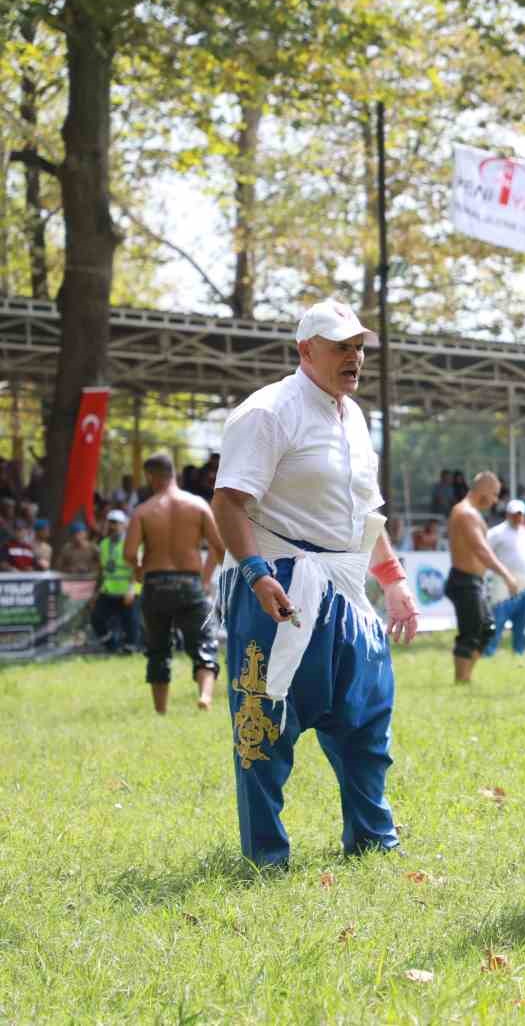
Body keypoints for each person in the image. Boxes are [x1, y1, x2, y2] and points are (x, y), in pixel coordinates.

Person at [211, 298, 421, 868]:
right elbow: (228, 501)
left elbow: (365, 515)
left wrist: (394, 579)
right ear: (307, 350)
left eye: (359, 347)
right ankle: (266, 856)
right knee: (266, 722)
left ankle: (373, 840)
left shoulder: (352, 415)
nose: (354, 358)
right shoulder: (269, 411)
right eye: (341, 347)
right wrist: (254, 575)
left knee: (366, 714)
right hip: (278, 579)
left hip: (345, 586)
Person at [125, 453, 223, 713]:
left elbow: (129, 552)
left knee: (158, 648)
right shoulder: (198, 506)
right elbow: (218, 546)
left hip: (156, 583)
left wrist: (137, 569)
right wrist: (204, 576)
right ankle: (204, 696)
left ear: (150, 476)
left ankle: (161, 710)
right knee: (204, 642)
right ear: (175, 475)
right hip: (189, 581)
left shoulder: (143, 511)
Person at [445, 472, 524, 684]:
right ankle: (462, 680)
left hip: (473, 582)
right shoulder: (466, 513)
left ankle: (466, 677)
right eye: (495, 494)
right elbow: (481, 550)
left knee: (487, 627)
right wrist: (506, 575)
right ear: (484, 489)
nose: (496, 500)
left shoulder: (471, 513)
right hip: (464, 580)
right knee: (471, 632)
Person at [483, 499, 525, 660]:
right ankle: (488, 653)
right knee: (498, 620)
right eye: (515, 514)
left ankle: (519, 654)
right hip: (503, 582)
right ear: (508, 514)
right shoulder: (496, 533)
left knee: (521, 623)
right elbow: (484, 553)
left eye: (521, 514)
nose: (518, 517)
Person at [90, 509, 141, 654]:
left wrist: (131, 589)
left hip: (128, 592)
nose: (112, 526)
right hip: (108, 590)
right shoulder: (104, 544)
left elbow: (137, 568)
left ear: (125, 525)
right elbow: (102, 570)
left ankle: (129, 649)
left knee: (130, 623)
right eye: (110, 523)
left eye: (116, 523)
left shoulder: (131, 543)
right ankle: (111, 645)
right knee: (96, 618)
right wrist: (95, 592)